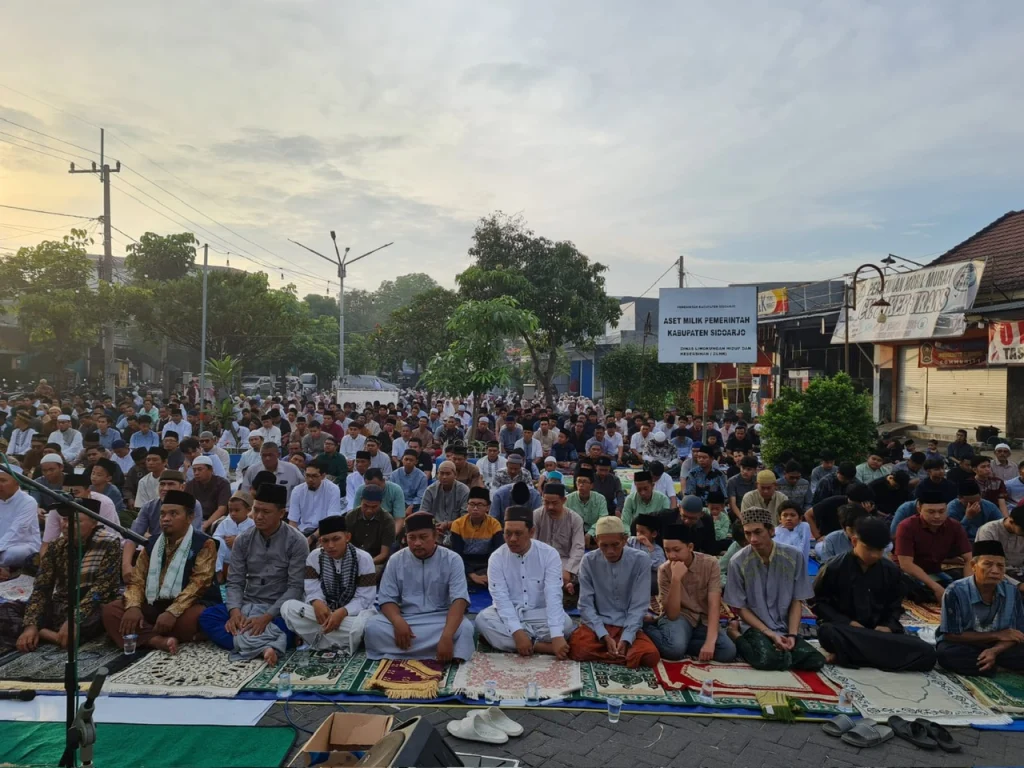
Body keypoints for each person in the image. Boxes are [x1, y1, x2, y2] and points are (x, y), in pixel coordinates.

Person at [199, 484, 308, 665]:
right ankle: (265, 647)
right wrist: (235, 612)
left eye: (266, 512)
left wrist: (266, 618)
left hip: (279, 609)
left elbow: (296, 588)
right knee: (207, 617)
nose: (258, 516)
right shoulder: (243, 539)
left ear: (281, 513)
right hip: (247, 605)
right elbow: (234, 582)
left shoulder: (297, 541)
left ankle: (243, 642)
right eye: (256, 510)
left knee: (295, 626)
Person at [103, 491, 221, 655]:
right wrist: (134, 606)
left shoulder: (205, 543)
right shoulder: (152, 543)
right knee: (111, 610)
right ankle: (157, 640)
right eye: (163, 514)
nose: (166, 519)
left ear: (190, 517)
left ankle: (142, 635)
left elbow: (198, 584)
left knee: (194, 619)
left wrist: (172, 612)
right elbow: (137, 579)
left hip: (190, 605)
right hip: (155, 602)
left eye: (173, 514)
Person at [814, 517, 936, 672]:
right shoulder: (834, 567)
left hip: (877, 633)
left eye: (879, 550)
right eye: (869, 549)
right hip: (847, 631)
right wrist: (848, 623)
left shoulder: (890, 570)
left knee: (927, 653)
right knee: (827, 632)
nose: (875, 555)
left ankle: (851, 656)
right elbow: (819, 603)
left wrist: (887, 626)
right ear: (854, 542)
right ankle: (871, 657)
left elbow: (895, 606)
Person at [363, 513, 475, 661]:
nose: (417, 543)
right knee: (373, 627)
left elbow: (459, 600)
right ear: (405, 538)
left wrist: (447, 636)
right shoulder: (396, 560)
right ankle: (439, 652)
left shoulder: (452, 559)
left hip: (441, 619)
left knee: (465, 628)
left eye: (423, 537)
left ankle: (407, 651)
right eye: (412, 537)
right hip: (407, 617)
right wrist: (397, 621)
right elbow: (386, 598)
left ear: (435, 536)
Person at [12, 500, 120, 653]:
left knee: (105, 617)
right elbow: (42, 588)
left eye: (75, 521)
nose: (67, 525)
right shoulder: (57, 546)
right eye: (64, 520)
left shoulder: (108, 543)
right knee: (8, 610)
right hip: (61, 604)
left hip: (91, 607)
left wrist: (74, 620)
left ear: (94, 521)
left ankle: (48, 633)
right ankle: (47, 634)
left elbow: (100, 590)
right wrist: (31, 625)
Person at [723, 506, 823, 671]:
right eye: (748, 533)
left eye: (758, 532)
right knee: (765, 660)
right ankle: (736, 635)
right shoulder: (738, 561)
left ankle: (781, 654)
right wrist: (769, 633)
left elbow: (797, 601)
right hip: (755, 627)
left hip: (784, 626)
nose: (753, 539)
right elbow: (740, 609)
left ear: (771, 530)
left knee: (815, 661)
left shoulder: (794, 556)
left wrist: (792, 635)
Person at [475, 505, 573, 657]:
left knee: (566, 625)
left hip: (540, 613)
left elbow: (553, 594)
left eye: (518, 533)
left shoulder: (549, 554)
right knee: (482, 620)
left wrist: (556, 635)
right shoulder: (497, 558)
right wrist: (517, 632)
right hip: (508, 612)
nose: (513, 539)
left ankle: (508, 642)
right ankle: (539, 645)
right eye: (508, 533)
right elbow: (501, 599)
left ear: (532, 532)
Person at [569, 516, 660, 668]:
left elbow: (639, 606)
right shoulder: (588, 561)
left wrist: (626, 638)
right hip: (598, 624)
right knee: (577, 648)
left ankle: (614, 652)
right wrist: (603, 635)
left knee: (650, 656)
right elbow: (585, 605)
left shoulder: (641, 560)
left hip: (627, 624)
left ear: (625, 540)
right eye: (604, 546)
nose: (610, 551)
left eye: (615, 545)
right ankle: (620, 656)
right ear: (597, 541)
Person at [280, 515, 377, 655]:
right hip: (323, 614)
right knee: (288, 608)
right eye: (325, 541)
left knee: (361, 627)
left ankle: (320, 640)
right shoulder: (314, 557)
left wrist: (342, 612)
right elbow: (312, 589)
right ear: (320, 541)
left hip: (352, 615)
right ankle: (337, 641)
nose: (330, 545)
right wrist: (317, 602)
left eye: (336, 539)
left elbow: (365, 599)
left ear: (347, 537)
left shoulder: (363, 558)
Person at [644, 522, 736, 662]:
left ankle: (681, 641)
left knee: (728, 652)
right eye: (667, 550)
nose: (671, 555)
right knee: (674, 651)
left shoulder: (710, 564)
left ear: (690, 547)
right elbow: (672, 615)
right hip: (680, 617)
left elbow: (714, 605)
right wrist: (676, 579)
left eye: (676, 550)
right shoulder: (664, 570)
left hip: (703, 619)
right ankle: (647, 628)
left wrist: (710, 643)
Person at [936, 539, 1024, 676]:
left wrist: (994, 651)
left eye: (1000, 566)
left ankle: (990, 663)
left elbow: (1016, 634)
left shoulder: (1012, 591)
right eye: (988, 564)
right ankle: (999, 668)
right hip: (966, 643)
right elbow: (951, 634)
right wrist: (997, 634)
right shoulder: (955, 591)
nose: (995, 570)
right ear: (973, 565)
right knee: (947, 654)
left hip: (999, 646)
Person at [895, 488, 973, 604]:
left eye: (942, 512)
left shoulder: (954, 526)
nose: (937, 516)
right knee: (910, 586)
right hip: (909, 573)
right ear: (919, 509)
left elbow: (969, 559)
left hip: (934, 570)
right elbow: (906, 565)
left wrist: (969, 587)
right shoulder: (906, 526)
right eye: (931, 512)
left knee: (967, 580)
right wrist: (935, 588)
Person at [533, 482, 586, 607]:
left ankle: (566, 586)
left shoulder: (575, 519)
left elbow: (578, 548)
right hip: (540, 561)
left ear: (564, 500)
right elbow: (531, 544)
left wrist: (568, 570)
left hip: (566, 561)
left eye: (554, 503)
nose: (550, 507)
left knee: (586, 571)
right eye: (546, 502)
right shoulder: (536, 515)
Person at [450, 487, 504, 586]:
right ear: (467, 506)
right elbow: (457, 554)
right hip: (464, 563)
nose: (475, 508)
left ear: (487, 508)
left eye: (480, 505)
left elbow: (497, 553)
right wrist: (472, 575)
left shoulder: (494, 524)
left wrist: (489, 572)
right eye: (472, 504)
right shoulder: (457, 524)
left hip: (486, 564)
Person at [344, 485, 395, 577]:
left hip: (375, 561)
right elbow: (344, 544)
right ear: (361, 501)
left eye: (374, 507)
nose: (369, 510)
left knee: (369, 575)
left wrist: (366, 563)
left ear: (381, 503)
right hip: (352, 559)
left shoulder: (387, 521)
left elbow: (384, 554)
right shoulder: (351, 516)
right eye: (365, 505)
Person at [0, 470, 42, 571]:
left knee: (11, 555)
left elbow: (17, 532)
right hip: (2, 546)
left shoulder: (28, 502)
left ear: (17, 482)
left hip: (22, 545)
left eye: (3, 481)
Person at [288, 463, 343, 538]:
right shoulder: (297, 490)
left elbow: (331, 520)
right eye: (307, 475)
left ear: (323, 476)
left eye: (314, 476)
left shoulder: (333, 489)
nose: (310, 479)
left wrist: (312, 538)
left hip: (325, 530)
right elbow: (293, 521)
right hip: (302, 531)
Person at [806, 482, 875, 541]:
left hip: (856, 538)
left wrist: (866, 513)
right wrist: (818, 537)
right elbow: (808, 515)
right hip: (830, 537)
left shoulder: (867, 506)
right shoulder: (833, 502)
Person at [214, 491, 255, 579]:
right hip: (226, 557)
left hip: (243, 559)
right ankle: (218, 572)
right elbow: (215, 538)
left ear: (248, 510)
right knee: (217, 541)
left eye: (237, 510)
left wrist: (237, 541)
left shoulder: (252, 525)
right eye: (230, 510)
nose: (233, 513)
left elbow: (255, 544)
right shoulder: (226, 522)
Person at [185, 455, 231, 532]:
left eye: (200, 470)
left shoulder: (222, 484)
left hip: (216, 520)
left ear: (211, 470)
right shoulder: (190, 485)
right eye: (194, 470)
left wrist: (206, 524)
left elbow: (222, 509)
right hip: (195, 520)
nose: (196, 473)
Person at [976, 507, 1024, 578]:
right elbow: (988, 566)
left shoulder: (1020, 532)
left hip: (1020, 573)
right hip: (994, 576)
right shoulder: (988, 531)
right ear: (1011, 521)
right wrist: (1018, 585)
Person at [566, 468, 609, 545]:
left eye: (584, 482)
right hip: (573, 533)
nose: (581, 484)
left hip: (595, 533)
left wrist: (590, 533)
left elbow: (603, 519)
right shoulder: (568, 499)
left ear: (591, 485)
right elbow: (565, 520)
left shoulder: (600, 498)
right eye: (579, 481)